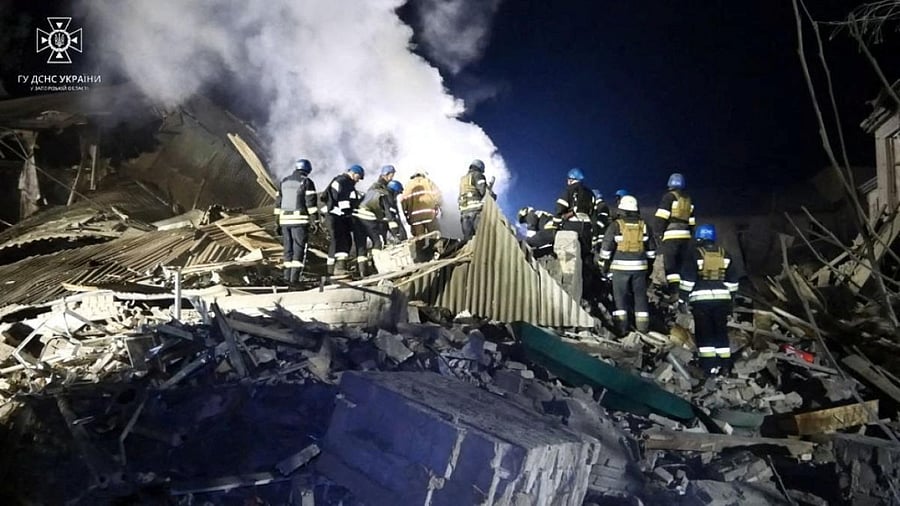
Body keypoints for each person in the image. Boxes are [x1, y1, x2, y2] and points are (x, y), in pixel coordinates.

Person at [679, 224, 739, 375]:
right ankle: (725, 365)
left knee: (705, 332)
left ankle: (709, 366)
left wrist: (682, 299)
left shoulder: (695, 254)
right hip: (722, 300)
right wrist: (730, 299)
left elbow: (688, 280)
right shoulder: (724, 254)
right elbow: (733, 281)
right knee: (720, 331)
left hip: (701, 301)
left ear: (699, 237)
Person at [599, 195, 657, 335]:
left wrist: (603, 266)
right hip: (640, 269)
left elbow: (606, 248)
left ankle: (622, 329)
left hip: (620, 269)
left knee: (620, 300)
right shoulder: (644, 226)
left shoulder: (616, 225)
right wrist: (647, 268)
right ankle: (643, 329)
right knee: (640, 298)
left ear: (622, 209)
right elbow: (652, 251)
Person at [275, 158, 317, 284]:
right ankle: (294, 281)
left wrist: (277, 222)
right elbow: (311, 204)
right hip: (299, 221)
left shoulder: (284, 181)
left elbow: (278, 203)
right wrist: (315, 221)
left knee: (288, 251)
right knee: (298, 251)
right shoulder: (307, 182)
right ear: (308, 169)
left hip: (284, 222)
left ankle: (286, 278)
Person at [654, 172, 695, 299]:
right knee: (681, 265)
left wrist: (658, 234)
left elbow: (661, 217)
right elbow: (692, 222)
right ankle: (684, 294)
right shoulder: (688, 199)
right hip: (686, 237)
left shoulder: (668, 197)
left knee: (670, 266)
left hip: (671, 236)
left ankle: (673, 292)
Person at [324, 164, 364, 278]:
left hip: (333, 215)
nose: (358, 180)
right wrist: (350, 214)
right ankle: (339, 268)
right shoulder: (346, 182)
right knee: (343, 241)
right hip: (338, 216)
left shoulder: (338, 180)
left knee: (336, 242)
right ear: (353, 173)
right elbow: (344, 203)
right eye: (358, 177)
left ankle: (330, 271)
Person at [555, 168, 594, 259]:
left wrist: (556, 224)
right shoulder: (590, 193)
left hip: (571, 225)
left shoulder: (570, 190)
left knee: (569, 255)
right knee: (585, 255)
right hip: (587, 227)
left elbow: (560, 208)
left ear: (571, 179)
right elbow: (593, 212)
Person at [458, 159, 493, 241]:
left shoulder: (463, 179)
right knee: (481, 239)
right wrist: (492, 194)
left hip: (464, 213)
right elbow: (483, 191)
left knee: (468, 239)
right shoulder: (478, 175)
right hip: (475, 211)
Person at [401, 172, 442, 237]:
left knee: (420, 240)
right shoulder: (428, 182)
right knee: (436, 235)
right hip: (430, 215)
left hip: (415, 217)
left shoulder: (408, 185)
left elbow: (403, 201)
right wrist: (439, 207)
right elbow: (438, 195)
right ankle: (438, 246)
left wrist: (406, 215)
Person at [590, 189, 611, 260]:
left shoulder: (602, 206)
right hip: (599, 239)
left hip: (601, 239)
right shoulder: (598, 207)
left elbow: (602, 222)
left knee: (599, 259)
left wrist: (592, 230)